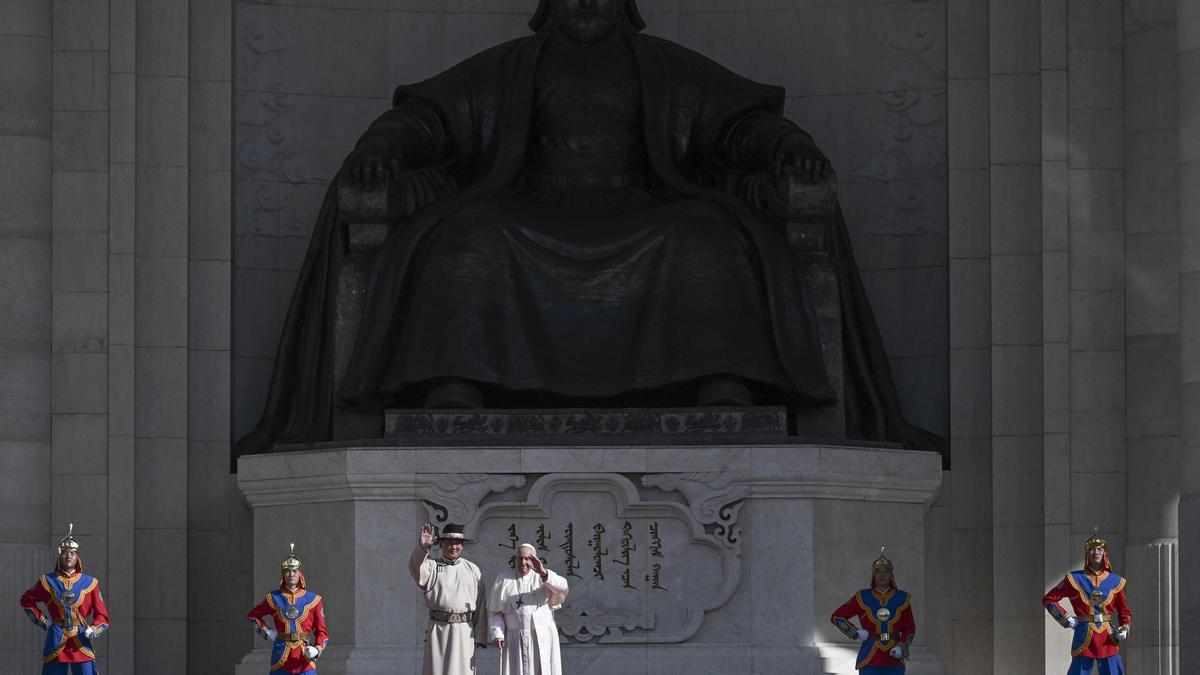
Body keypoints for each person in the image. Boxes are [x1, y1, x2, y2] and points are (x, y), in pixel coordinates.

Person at [235, 0, 944, 457]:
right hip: (529, 206)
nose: (583, 4)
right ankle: (456, 383)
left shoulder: (662, 68)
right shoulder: (513, 67)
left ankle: (721, 383)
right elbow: (428, 117)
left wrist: (785, 146)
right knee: (468, 239)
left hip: (642, 205)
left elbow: (741, 124)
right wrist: (382, 149)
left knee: (705, 236)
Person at [19, 523, 111, 675]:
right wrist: (43, 621)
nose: (68, 555)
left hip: (81, 640)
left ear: (77, 557)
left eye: (72, 552)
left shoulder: (91, 583)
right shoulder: (47, 580)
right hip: (56, 639)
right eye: (65, 552)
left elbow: (103, 616)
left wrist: (93, 629)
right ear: (60, 555)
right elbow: (26, 600)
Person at [1042, 530, 1132, 675]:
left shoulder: (1116, 581)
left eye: (1099, 549)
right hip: (1084, 634)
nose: (1095, 552)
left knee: (1113, 671)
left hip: (1107, 636)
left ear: (1104, 553)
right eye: (1091, 549)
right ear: (1086, 554)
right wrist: (1066, 619)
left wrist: (1125, 627)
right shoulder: (1074, 579)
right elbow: (1049, 600)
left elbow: (1124, 611)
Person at [411, 523, 488, 675]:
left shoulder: (472, 569)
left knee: (462, 670)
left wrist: (480, 635)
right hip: (438, 629)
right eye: (449, 543)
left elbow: (481, 603)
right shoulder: (431, 566)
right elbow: (415, 567)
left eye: (457, 543)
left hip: (464, 630)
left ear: (462, 545)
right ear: (441, 544)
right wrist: (423, 547)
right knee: (436, 670)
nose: (454, 547)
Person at [830, 547, 916, 674]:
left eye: (885, 572)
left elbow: (910, 629)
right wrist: (857, 633)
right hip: (869, 658)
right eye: (878, 572)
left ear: (891, 575)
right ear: (873, 575)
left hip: (894, 659)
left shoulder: (902, 598)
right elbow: (837, 617)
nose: (882, 575)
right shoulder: (862, 597)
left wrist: (901, 646)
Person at [246, 543, 330, 673]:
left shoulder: (314, 600)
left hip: (305, 658)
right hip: (281, 656)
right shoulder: (273, 597)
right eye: (287, 571)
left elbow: (322, 632)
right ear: (283, 574)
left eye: (294, 571)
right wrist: (267, 633)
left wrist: (317, 649)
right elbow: (253, 616)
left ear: (300, 574)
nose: (291, 574)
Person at [487, 543, 569, 675]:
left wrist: (543, 572)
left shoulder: (544, 576)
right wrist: (498, 634)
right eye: (520, 558)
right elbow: (495, 612)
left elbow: (563, 587)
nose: (523, 562)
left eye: (527, 558)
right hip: (513, 639)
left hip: (541, 637)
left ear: (535, 559)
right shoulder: (503, 579)